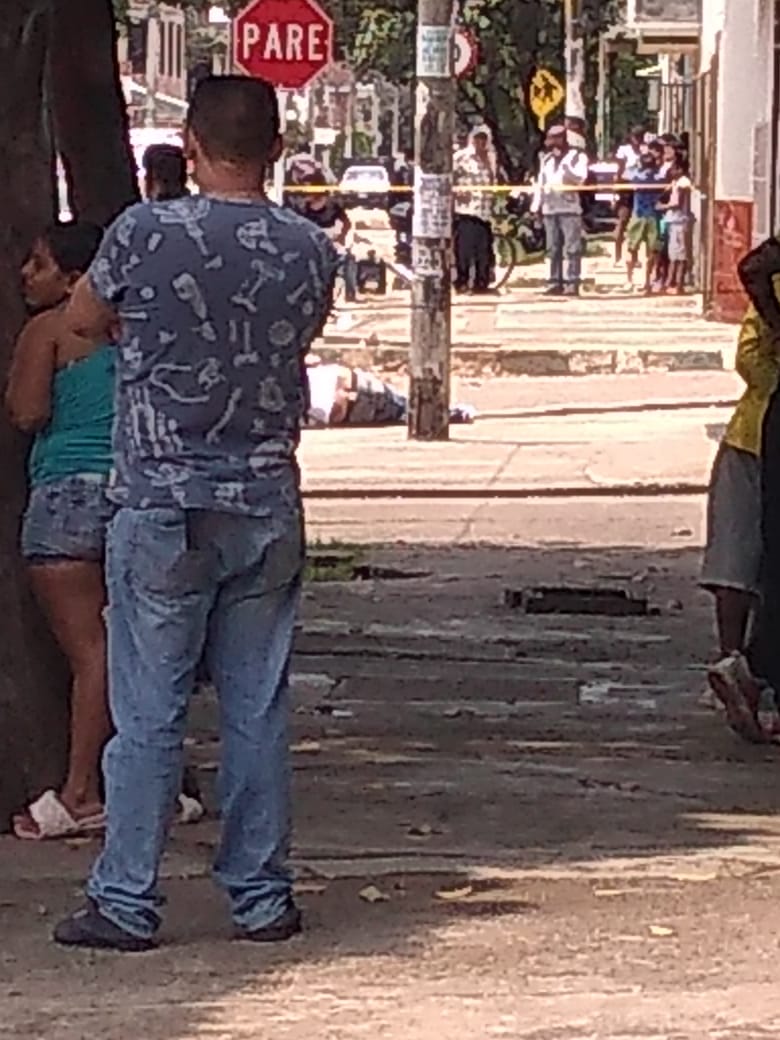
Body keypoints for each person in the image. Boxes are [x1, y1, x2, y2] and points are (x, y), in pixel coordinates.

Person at [53, 75, 338, 952]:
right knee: (257, 707)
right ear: (277, 149)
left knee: (149, 709)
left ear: (190, 142)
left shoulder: (144, 232)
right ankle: (261, 894)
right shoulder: (310, 249)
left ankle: (126, 897)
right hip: (264, 499)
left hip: (162, 501)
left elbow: (80, 318)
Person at [5, 222, 114, 839]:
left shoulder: (48, 330)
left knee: (89, 654)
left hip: (67, 493)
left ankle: (79, 791)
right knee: (138, 646)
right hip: (133, 495)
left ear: (75, 280)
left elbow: (27, 411)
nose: (26, 274)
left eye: (40, 264)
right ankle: (150, 779)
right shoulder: (132, 331)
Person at [701, 304, 779, 741]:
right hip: (756, 439)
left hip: (751, 433)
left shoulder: (771, 287)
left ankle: (738, 668)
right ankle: (741, 668)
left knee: (736, 560)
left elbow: (748, 355)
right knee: (743, 562)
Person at [304, 357, 475, 427]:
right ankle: (449, 414)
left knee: (403, 409)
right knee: (403, 407)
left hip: (347, 401)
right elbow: (312, 359)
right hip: (347, 390)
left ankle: (447, 414)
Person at [531, 124, 588, 297]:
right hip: (550, 208)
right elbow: (541, 183)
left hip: (569, 208)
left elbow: (580, 179)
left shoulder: (577, 156)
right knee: (552, 248)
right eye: (549, 138)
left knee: (572, 248)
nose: (551, 142)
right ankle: (554, 282)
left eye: (555, 138)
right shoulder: (547, 159)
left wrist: (565, 169)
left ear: (563, 139)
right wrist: (536, 205)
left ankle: (572, 282)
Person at [287, 172, 358, 302]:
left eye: (309, 187)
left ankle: (350, 293)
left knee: (349, 258)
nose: (306, 191)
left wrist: (341, 237)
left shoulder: (333, 204)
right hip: (309, 243)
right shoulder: (301, 206)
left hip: (331, 241)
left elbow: (346, 223)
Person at [453, 126, 496, 294]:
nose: (480, 142)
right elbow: (449, 178)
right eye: (477, 138)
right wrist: (456, 191)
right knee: (464, 250)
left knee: (483, 251)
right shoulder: (461, 157)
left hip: (485, 211)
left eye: (484, 138)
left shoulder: (491, 157)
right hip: (467, 210)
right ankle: (462, 282)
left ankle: (481, 283)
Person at [625, 151, 664, 293]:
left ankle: (630, 280)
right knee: (651, 251)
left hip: (640, 215)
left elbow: (625, 174)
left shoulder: (636, 176)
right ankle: (647, 281)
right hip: (652, 216)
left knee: (632, 249)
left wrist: (635, 166)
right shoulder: (659, 177)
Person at [657, 153, 692, 294]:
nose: (671, 171)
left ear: (680, 169)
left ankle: (678, 285)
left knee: (680, 255)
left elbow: (678, 203)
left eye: (673, 168)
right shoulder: (676, 182)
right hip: (673, 221)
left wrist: (663, 207)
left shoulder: (683, 183)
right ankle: (670, 282)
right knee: (673, 255)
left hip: (679, 221)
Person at [613, 126, 645, 265]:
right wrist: (615, 193)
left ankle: (634, 257)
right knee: (622, 221)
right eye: (635, 137)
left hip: (639, 188)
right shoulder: (624, 150)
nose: (637, 140)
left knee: (636, 223)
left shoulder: (644, 151)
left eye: (640, 137)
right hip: (625, 187)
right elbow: (618, 171)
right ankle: (618, 256)